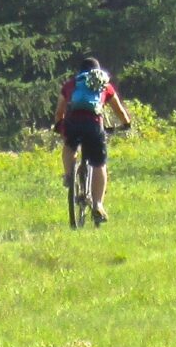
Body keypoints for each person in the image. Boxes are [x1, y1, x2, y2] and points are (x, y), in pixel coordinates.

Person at [55, 55, 134, 224]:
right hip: (94, 124)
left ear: (80, 71)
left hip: (73, 122)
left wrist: (58, 125)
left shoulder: (71, 84)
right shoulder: (104, 84)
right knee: (99, 163)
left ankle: (69, 175)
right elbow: (118, 109)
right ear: (98, 71)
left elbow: (59, 110)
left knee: (69, 146)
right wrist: (126, 124)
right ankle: (98, 204)